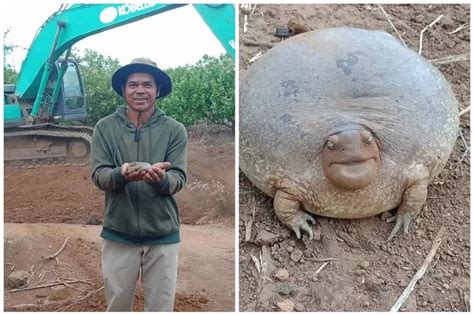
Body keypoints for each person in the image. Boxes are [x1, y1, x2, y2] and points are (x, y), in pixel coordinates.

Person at [91, 57, 187, 311]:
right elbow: (99, 174)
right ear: (123, 90)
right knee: (117, 305)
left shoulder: (174, 130)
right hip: (118, 233)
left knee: (160, 307)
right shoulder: (104, 128)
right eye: (133, 84)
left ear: (157, 90)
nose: (140, 90)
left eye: (147, 84)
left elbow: (178, 178)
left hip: (162, 235)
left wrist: (162, 179)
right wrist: (120, 174)